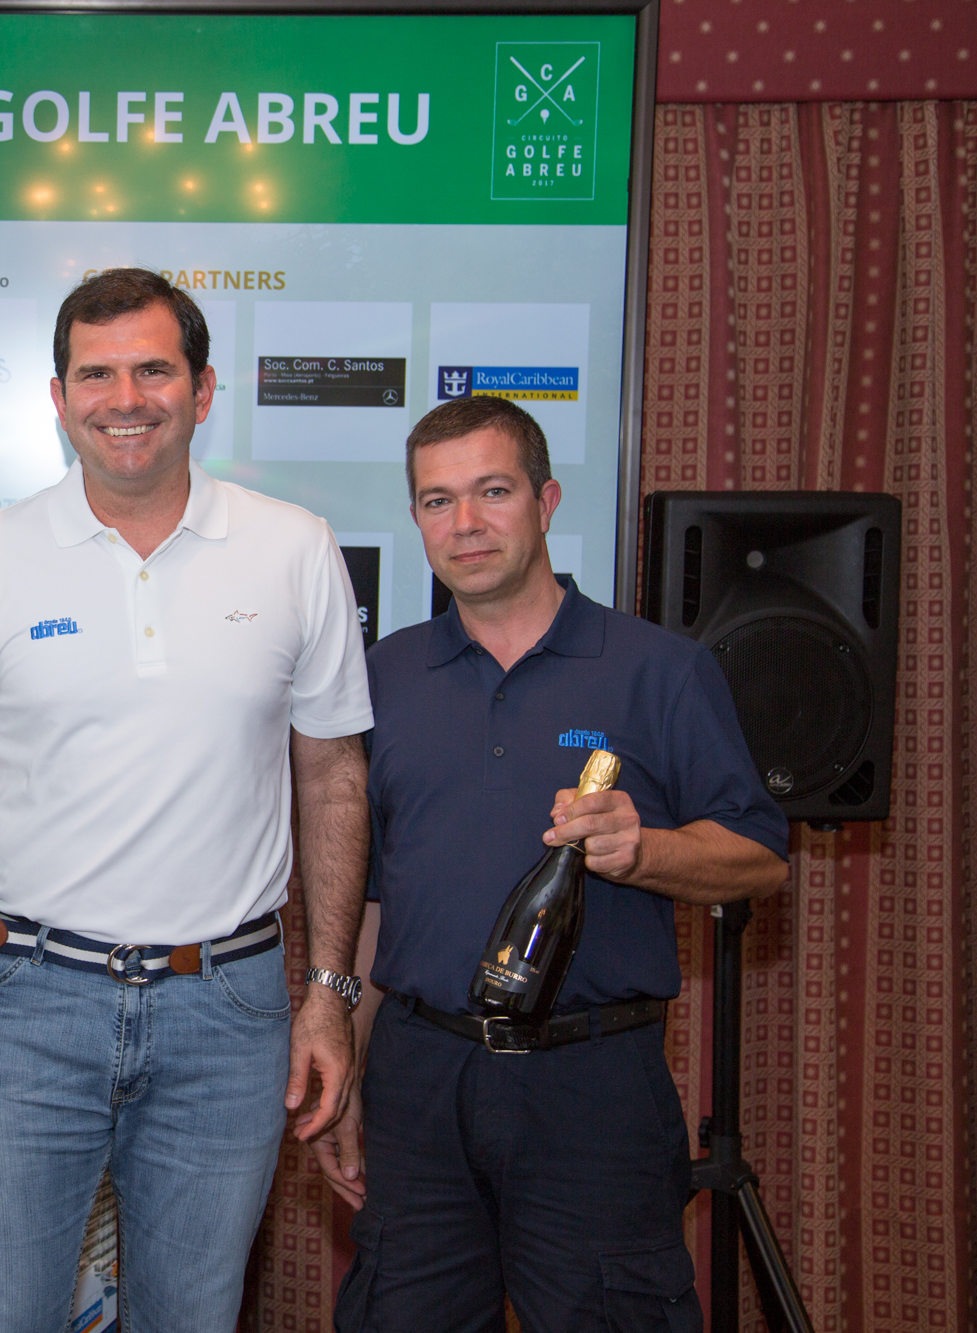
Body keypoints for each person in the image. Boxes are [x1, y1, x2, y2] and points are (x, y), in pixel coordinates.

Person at [0, 268, 375, 1332]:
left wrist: (329, 993)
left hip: (229, 1010)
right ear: (58, 397)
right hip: (24, 1004)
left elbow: (333, 779)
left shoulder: (294, 547)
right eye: (96, 374)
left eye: (154, 370)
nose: (126, 398)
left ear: (202, 390)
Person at [321, 395, 789, 1332]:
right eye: (438, 500)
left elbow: (759, 858)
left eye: (493, 491)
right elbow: (374, 902)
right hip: (421, 1080)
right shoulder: (383, 677)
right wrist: (352, 1064)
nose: (466, 522)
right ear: (416, 518)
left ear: (546, 501)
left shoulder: (659, 668)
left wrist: (645, 849)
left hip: (592, 1084)